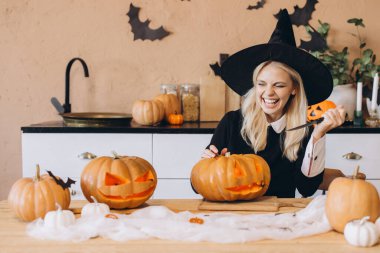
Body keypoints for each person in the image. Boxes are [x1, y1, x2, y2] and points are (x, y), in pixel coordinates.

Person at [199, 9, 345, 198]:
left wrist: (318, 135)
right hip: (235, 215)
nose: (268, 93)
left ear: (294, 89)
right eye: (262, 84)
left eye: (279, 85)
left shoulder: (304, 130)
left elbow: (307, 188)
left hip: (281, 217)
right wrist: (208, 164)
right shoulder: (232, 122)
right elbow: (198, 186)